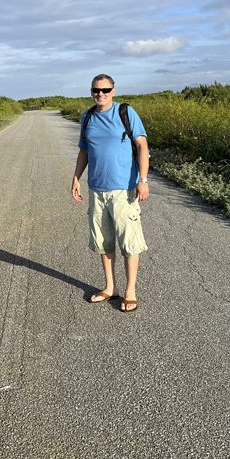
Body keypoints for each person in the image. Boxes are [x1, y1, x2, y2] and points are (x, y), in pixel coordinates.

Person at [70, 74, 150, 312]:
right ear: (91, 91)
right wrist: (76, 178)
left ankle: (130, 291)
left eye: (105, 90)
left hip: (124, 190)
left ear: (113, 91)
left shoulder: (125, 113)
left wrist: (143, 180)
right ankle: (109, 287)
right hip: (97, 190)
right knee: (103, 243)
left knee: (129, 243)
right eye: (96, 90)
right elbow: (84, 151)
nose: (100, 94)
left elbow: (142, 145)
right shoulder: (88, 117)